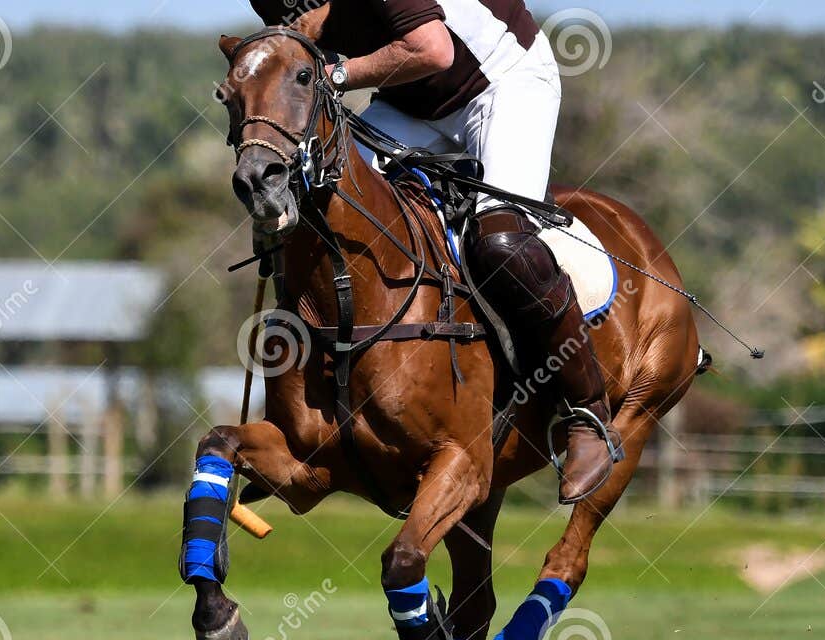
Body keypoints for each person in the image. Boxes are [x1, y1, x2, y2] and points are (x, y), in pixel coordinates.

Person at [248, 0, 622, 502]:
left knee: (500, 242)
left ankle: (589, 414)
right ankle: (302, 426)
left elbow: (433, 50)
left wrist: (334, 72)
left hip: (503, 83)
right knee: (317, 207)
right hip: (410, 102)